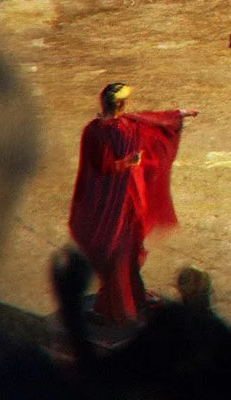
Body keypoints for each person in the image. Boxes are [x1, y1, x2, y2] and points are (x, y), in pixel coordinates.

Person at [66, 83, 194, 324]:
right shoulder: (117, 131)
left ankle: (131, 299)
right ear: (120, 104)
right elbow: (106, 165)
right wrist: (129, 162)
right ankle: (119, 307)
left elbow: (144, 122)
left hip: (111, 202)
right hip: (119, 205)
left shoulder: (94, 129)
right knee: (121, 253)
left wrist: (177, 114)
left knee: (123, 253)